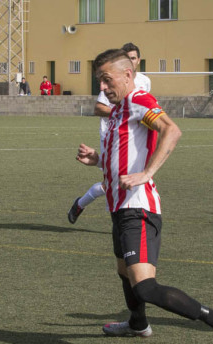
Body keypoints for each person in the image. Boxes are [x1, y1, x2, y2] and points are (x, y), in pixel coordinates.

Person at [75, 48, 213, 344]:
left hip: (137, 208)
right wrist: (96, 160)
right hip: (119, 208)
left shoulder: (139, 100)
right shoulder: (121, 109)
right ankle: (138, 325)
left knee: (146, 286)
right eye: (99, 81)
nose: (104, 87)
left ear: (128, 74)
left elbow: (171, 130)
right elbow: (123, 156)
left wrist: (147, 174)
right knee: (124, 272)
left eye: (107, 80)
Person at [68, 43, 151, 224]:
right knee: (113, 183)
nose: (131, 61)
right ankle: (83, 205)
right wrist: (124, 114)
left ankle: (126, 221)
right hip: (111, 135)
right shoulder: (113, 81)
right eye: (127, 57)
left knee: (127, 182)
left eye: (134, 58)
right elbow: (99, 108)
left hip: (134, 138)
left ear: (138, 61)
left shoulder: (145, 81)